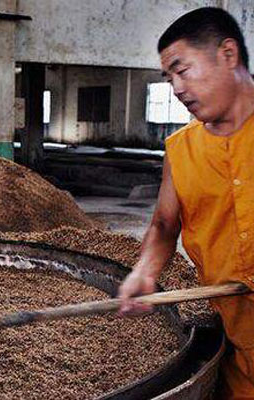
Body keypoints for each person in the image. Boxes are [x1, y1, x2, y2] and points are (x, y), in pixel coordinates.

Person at [117, 7, 254, 399]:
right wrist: (144, 271)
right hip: (239, 344)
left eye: (182, 69)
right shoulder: (182, 150)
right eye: (168, 77)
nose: (175, 87)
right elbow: (164, 224)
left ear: (228, 55)